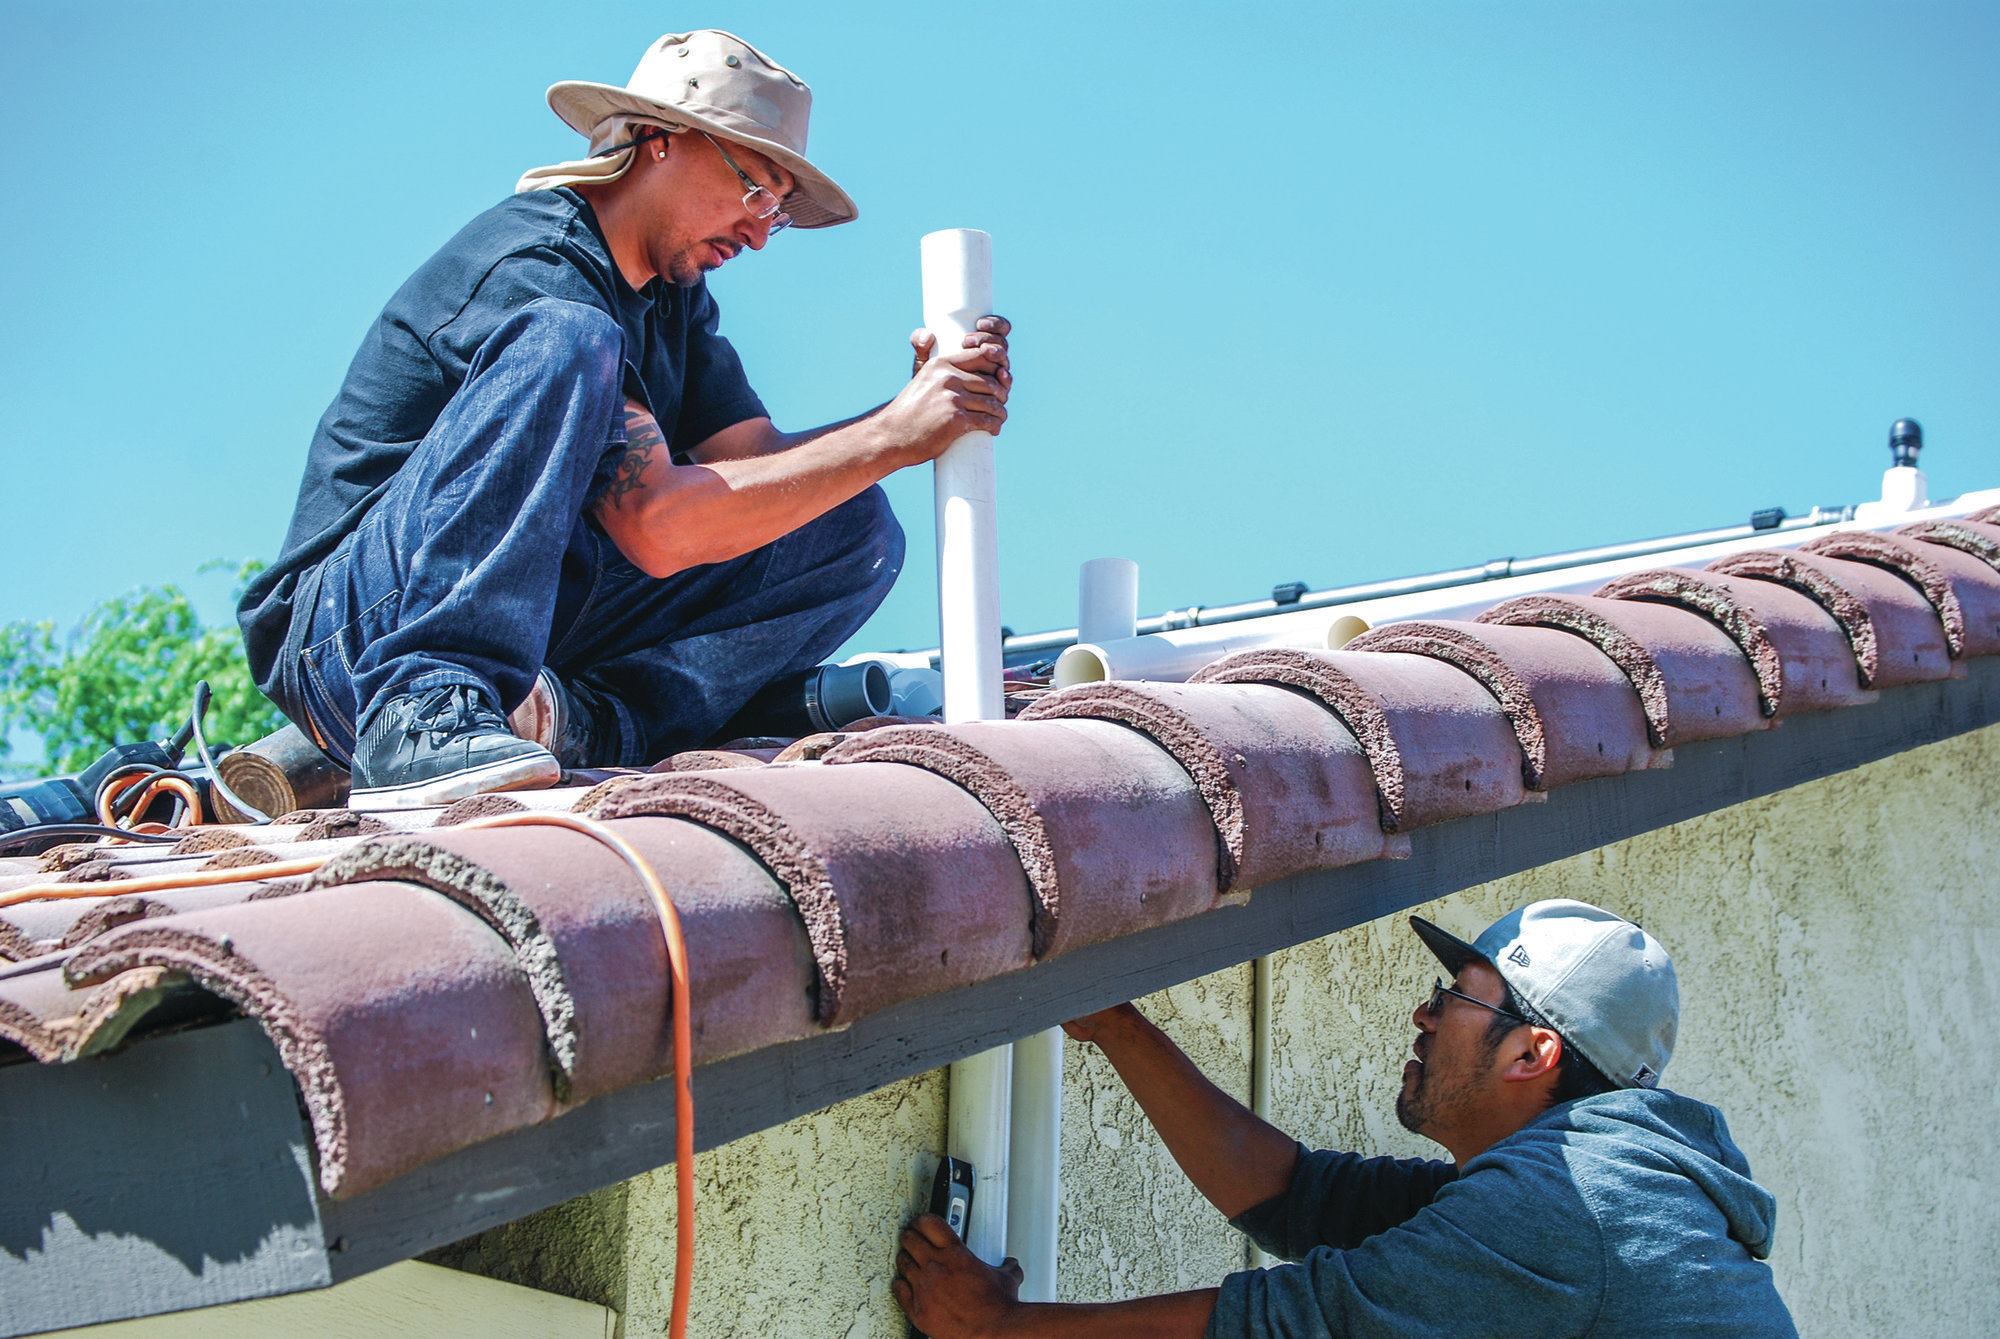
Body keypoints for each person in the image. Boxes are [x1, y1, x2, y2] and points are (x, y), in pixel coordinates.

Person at [237, 29, 1012, 808]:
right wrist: (893, 435)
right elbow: (658, 524)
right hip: (351, 630)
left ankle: (585, 723)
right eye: (755, 189)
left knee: (851, 529)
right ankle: (423, 706)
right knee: (571, 338)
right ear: (657, 139)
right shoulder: (536, 266)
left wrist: (912, 413)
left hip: (536, 623)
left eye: (776, 212)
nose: (757, 232)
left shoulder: (675, 302)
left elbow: (759, 468)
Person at [895, 899, 1799, 1336]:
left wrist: (999, 1328)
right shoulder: (1575, 1194)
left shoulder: (1566, 1209)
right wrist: (1118, 1028)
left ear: (1532, 1054)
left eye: (1454, 998)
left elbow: (1298, 1323)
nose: (1424, 1015)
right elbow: (1296, 1194)